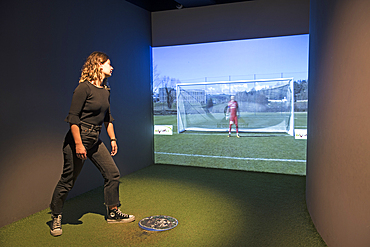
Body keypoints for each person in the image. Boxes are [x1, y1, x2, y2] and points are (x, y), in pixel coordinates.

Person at [49, 52, 135, 237]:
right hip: (78, 138)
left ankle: (112, 212)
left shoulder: (105, 90)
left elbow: (107, 119)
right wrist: (79, 144)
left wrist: (113, 139)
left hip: (95, 140)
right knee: (68, 181)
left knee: (113, 174)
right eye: (109, 64)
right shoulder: (83, 88)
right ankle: (55, 216)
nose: (112, 67)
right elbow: (73, 119)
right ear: (99, 65)